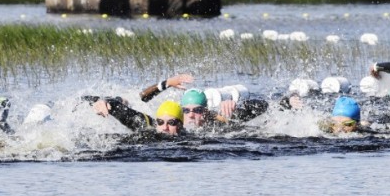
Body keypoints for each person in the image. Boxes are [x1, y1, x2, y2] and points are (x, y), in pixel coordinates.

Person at [138, 73, 268, 130]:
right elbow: (143, 97)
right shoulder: (172, 121)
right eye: (186, 110)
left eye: (197, 110)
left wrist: (234, 109)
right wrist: (167, 83)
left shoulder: (216, 122)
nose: (191, 115)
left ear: (205, 112)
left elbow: (263, 105)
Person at [92, 96, 185, 135]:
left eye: (171, 123)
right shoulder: (147, 125)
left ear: (180, 125)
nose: (165, 127)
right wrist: (106, 102)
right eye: (160, 122)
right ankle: (121, 99)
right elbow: (124, 112)